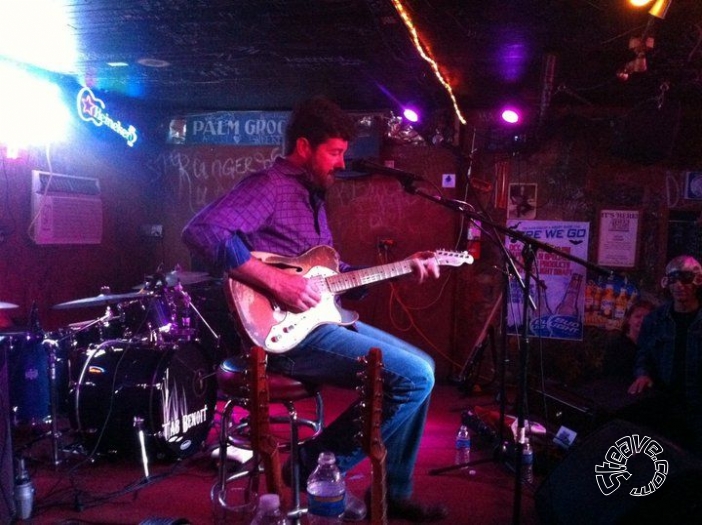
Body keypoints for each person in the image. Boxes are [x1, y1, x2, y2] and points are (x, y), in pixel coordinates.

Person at [182, 97, 448, 522]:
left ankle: (395, 491)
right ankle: (315, 463)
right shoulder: (270, 186)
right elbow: (203, 231)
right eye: (335, 152)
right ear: (304, 146)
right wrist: (276, 281)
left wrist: (398, 271)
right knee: (415, 377)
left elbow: (330, 282)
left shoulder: (313, 196)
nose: (342, 163)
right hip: (283, 332)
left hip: (318, 320)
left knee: (424, 367)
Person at [628, 255, 702, 456]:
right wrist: (642, 374)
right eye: (673, 280)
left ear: (697, 281)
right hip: (665, 402)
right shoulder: (655, 320)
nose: (679, 285)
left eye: (685, 279)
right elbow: (643, 353)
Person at [601, 299, 655, 381]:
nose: (642, 320)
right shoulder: (617, 344)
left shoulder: (653, 348)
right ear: (629, 319)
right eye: (638, 316)